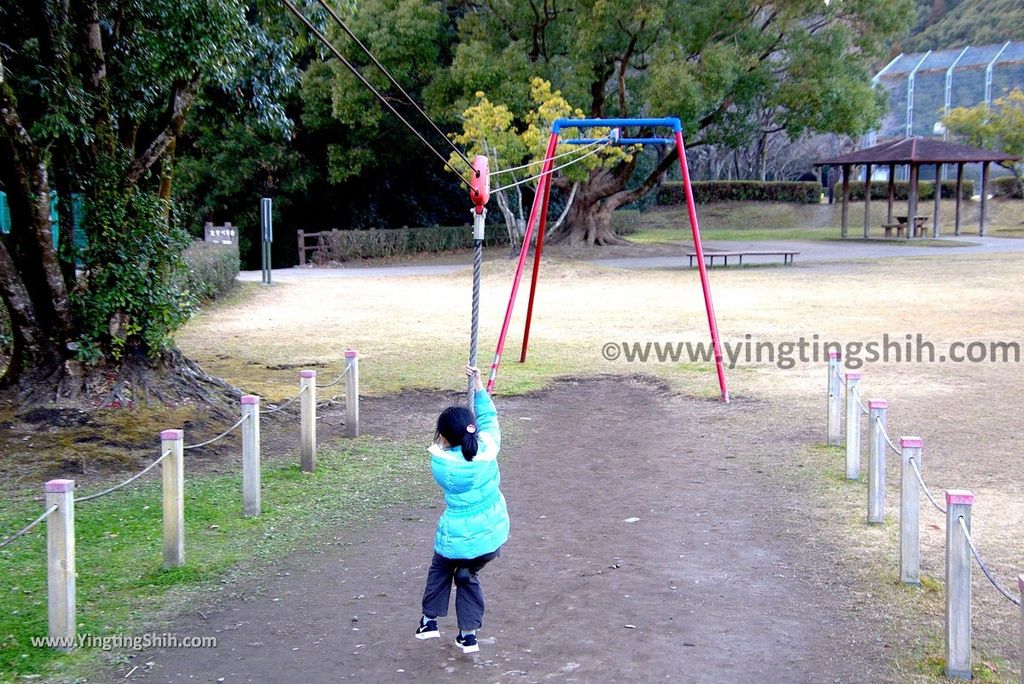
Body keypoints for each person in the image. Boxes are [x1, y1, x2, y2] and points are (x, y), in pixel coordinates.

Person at [415, 364, 510, 654]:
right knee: (467, 574)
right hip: (491, 536)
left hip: (457, 537)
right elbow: (489, 418)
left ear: (443, 437)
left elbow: (453, 444)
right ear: (474, 431)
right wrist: (478, 386)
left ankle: (429, 621)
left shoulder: (440, 463)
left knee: (441, 567)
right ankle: (468, 636)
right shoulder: (488, 448)